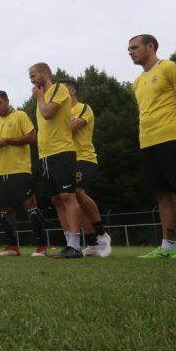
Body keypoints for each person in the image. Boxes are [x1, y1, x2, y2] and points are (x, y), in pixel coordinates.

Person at [128, 34, 176, 260]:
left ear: (151, 46)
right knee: (162, 193)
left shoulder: (170, 67)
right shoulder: (137, 82)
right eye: (129, 49)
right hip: (148, 141)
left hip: (174, 137)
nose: (130, 52)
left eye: (134, 47)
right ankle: (168, 246)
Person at [0, 91, 47, 257]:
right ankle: (12, 246)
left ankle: (41, 246)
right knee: (4, 210)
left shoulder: (20, 115)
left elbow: (32, 137)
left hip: (19, 170)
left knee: (30, 206)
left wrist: (7, 140)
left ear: (7, 101)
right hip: (0, 172)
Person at [29, 64, 82, 259]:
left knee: (68, 196)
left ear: (46, 73)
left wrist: (40, 98)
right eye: (30, 77)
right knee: (57, 200)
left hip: (62, 151)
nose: (32, 80)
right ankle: (69, 243)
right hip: (45, 156)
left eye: (33, 75)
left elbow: (48, 113)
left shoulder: (59, 89)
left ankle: (75, 245)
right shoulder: (40, 99)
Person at [63, 79, 113, 257]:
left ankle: (102, 234)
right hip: (67, 160)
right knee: (73, 200)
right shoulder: (60, 114)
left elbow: (71, 128)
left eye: (63, 89)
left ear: (73, 91)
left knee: (78, 193)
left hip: (84, 157)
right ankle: (92, 242)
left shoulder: (83, 108)